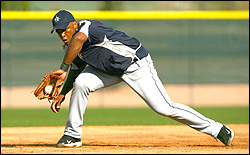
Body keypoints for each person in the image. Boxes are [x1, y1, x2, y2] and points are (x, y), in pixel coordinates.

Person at [50, 10, 234, 147]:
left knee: (164, 108)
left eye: (64, 29)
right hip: (109, 71)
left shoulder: (86, 28)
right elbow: (75, 70)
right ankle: (72, 135)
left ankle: (218, 129)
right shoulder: (69, 48)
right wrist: (62, 94)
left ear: (74, 24)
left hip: (135, 65)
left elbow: (78, 41)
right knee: (81, 82)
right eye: (58, 32)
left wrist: (62, 68)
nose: (63, 35)